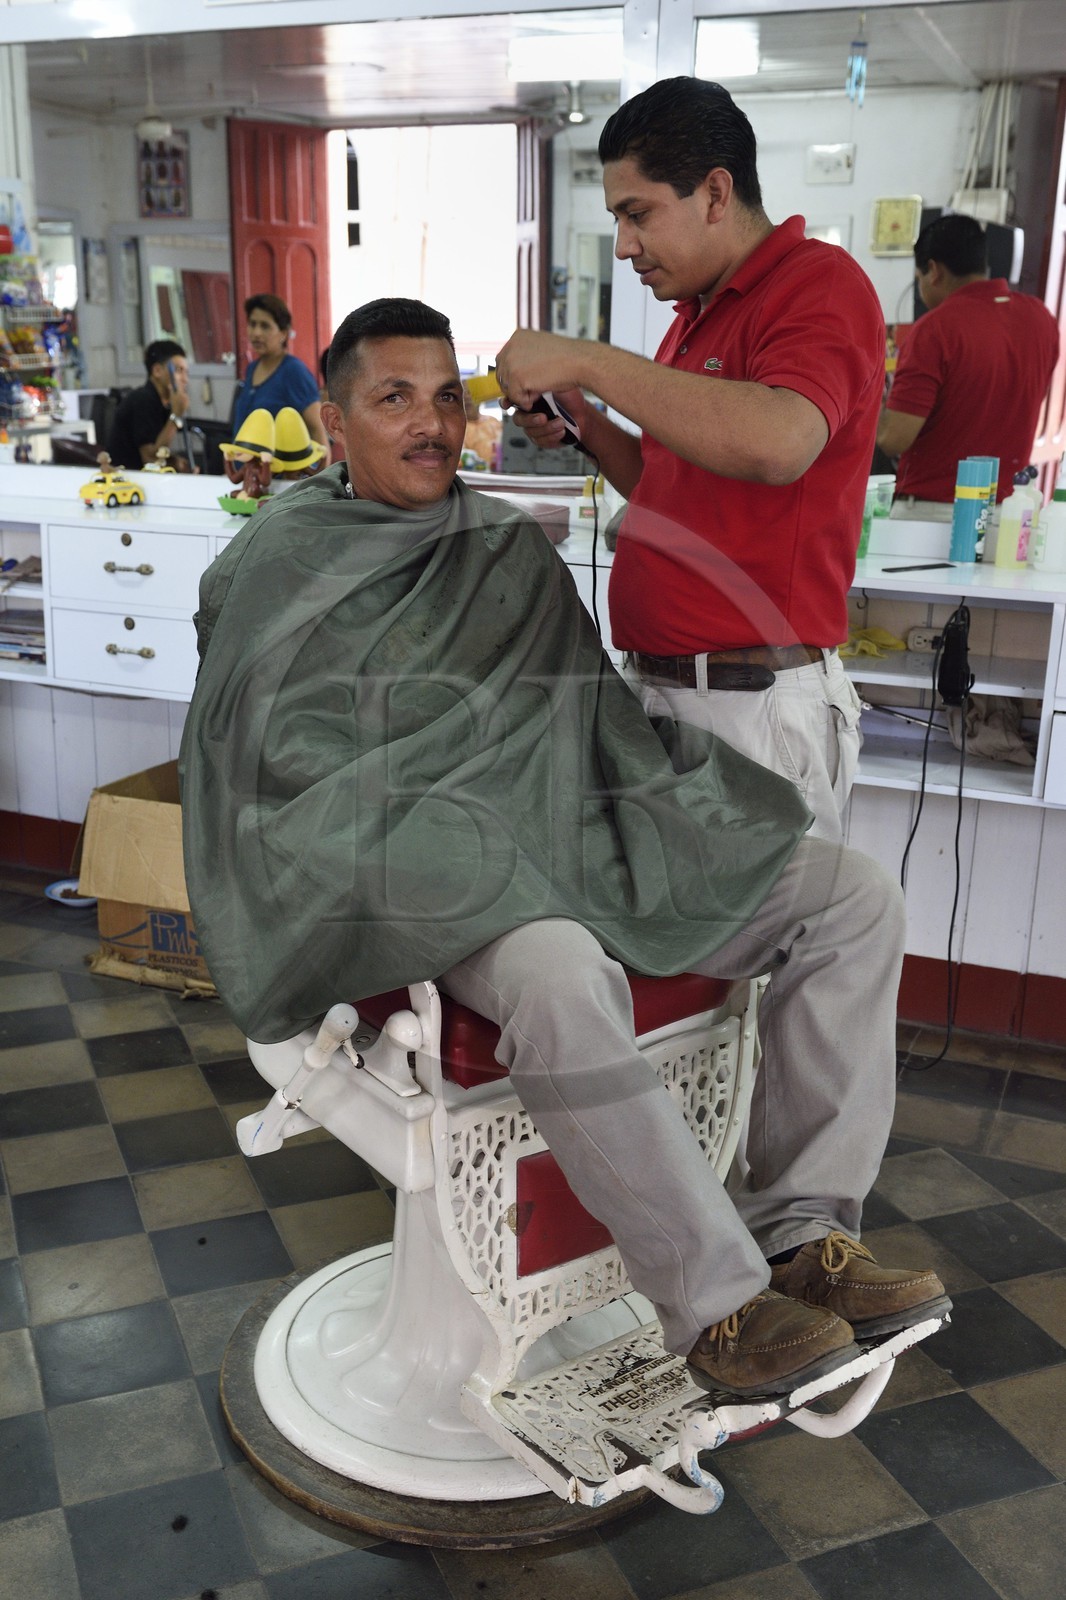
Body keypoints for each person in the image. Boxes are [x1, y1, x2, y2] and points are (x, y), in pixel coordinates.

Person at [181, 297, 948, 1400]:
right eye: (393, 398)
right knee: (556, 969)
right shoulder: (280, 563)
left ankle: (802, 1233)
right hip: (427, 878)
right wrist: (460, 823)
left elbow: (584, 721)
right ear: (333, 422)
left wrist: (633, 795)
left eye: (446, 395)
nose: (430, 423)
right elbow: (277, 774)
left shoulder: (499, 543)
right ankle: (718, 1307)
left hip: (571, 830)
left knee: (853, 897)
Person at [495, 78, 886, 846]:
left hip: (753, 706)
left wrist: (590, 359)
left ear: (714, 193)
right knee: (679, 956)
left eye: (638, 214)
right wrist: (590, 425)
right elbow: (673, 492)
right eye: (617, 218)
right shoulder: (697, 318)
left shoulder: (818, 286)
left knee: (757, 950)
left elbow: (779, 443)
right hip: (666, 696)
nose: (626, 245)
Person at [878, 213, 1060, 515]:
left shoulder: (934, 329)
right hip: (1007, 512)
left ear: (933, 271)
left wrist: (865, 399)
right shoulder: (1041, 319)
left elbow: (893, 439)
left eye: (919, 279)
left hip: (932, 512)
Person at [232, 293, 330, 453]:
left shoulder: (294, 371)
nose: (256, 333)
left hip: (282, 475)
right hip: (244, 472)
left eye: (265, 326)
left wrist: (318, 477)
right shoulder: (252, 369)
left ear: (283, 333)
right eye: (252, 324)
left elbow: (318, 435)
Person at [107, 338, 193, 471]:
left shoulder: (164, 402)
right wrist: (176, 416)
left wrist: (175, 461)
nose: (185, 379)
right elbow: (150, 459)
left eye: (186, 372)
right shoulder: (143, 400)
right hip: (127, 479)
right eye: (178, 370)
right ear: (157, 371)